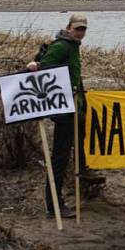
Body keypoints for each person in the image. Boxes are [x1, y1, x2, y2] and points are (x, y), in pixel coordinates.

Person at [27, 13, 102, 219]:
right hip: (63, 109)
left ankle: (84, 168)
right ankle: (54, 205)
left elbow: (73, 77)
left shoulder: (73, 46)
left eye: (83, 29)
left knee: (80, 140)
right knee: (60, 157)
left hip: (74, 107)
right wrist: (35, 66)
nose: (80, 32)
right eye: (77, 28)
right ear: (68, 27)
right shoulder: (62, 46)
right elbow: (44, 67)